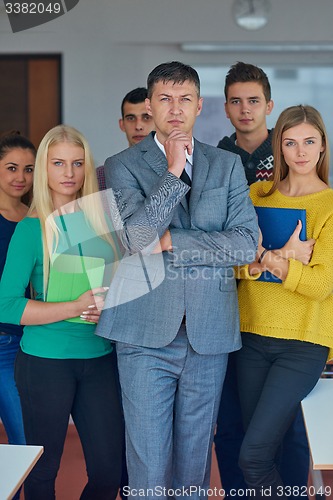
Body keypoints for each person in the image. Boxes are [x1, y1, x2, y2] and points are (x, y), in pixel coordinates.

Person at [96, 61, 258, 498]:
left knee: (193, 467)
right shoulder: (122, 164)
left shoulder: (225, 166)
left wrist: (174, 242)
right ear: (149, 105)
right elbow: (137, 237)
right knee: (148, 465)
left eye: (185, 99)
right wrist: (171, 174)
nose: (175, 109)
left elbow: (245, 244)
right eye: (164, 99)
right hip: (144, 334)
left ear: (199, 106)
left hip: (208, 333)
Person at [0, 125, 124, 500]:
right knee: (42, 474)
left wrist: (110, 308)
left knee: (109, 473)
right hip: (44, 362)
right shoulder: (31, 228)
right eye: (58, 163)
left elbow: (119, 286)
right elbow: (6, 305)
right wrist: (74, 306)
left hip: (100, 359)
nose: (69, 173)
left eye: (77, 163)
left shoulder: (103, 224)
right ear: (45, 169)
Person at [214, 62, 310, 497]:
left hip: (287, 308)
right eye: (236, 101)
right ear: (226, 107)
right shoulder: (216, 158)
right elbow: (213, 235)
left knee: (283, 425)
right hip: (228, 304)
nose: (245, 109)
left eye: (254, 100)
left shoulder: (293, 155)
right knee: (231, 420)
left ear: (269, 105)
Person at [236, 104, 333, 498]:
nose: (301, 151)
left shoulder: (329, 205)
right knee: (264, 451)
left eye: (309, 141)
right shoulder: (256, 194)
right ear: (279, 148)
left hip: (303, 344)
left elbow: (322, 283)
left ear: (323, 146)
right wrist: (286, 259)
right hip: (250, 337)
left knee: (253, 457)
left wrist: (267, 260)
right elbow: (234, 266)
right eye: (290, 143)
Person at [0, 132, 35, 499]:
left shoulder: (37, 219)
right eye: (11, 168)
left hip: (15, 346)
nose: (20, 177)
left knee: (25, 444)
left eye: (28, 169)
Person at [97, 87, 155, 190]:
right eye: (131, 118)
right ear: (122, 124)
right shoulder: (102, 175)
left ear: (158, 121)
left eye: (146, 117)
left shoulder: (175, 170)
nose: (138, 126)